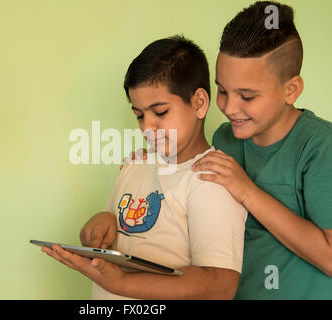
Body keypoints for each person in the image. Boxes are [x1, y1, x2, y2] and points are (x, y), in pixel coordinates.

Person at [42, 35, 247, 299]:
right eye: (139, 114)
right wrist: (102, 225)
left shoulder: (210, 179)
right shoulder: (135, 165)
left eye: (160, 112)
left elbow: (220, 286)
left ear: (199, 103)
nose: (146, 127)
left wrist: (122, 283)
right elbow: (118, 235)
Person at [192, 1, 332, 299]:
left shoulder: (325, 147)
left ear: (291, 90)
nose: (228, 107)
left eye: (247, 96)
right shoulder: (225, 140)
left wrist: (245, 189)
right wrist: (147, 168)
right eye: (222, 90)